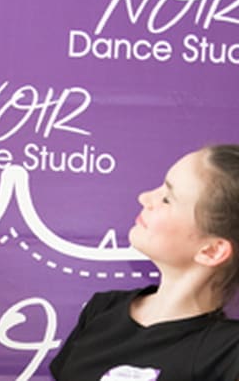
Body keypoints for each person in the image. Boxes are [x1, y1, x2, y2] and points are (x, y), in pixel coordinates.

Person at [50, 145, 239, 380]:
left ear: (211, 251)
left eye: (167, 199)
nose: (144, 197)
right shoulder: (103, 308)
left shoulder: (229, 355)